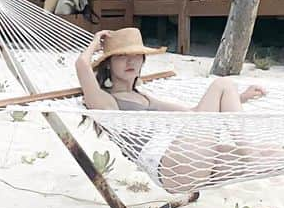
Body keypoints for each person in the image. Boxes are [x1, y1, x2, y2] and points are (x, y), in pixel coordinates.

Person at [75, 27, 266, 192]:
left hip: (187, 159)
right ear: (108, 63)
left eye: (136, 56)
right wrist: (94, 42)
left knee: (267, 153)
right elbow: (82, 65)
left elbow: (194, 114)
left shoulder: (145, 98)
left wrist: (239, 98)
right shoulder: (106, 102)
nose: (131, 62)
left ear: (143, 61)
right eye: (122, 57)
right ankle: (251, 158)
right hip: (171, 165)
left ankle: (257, 157)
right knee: (223, 83)